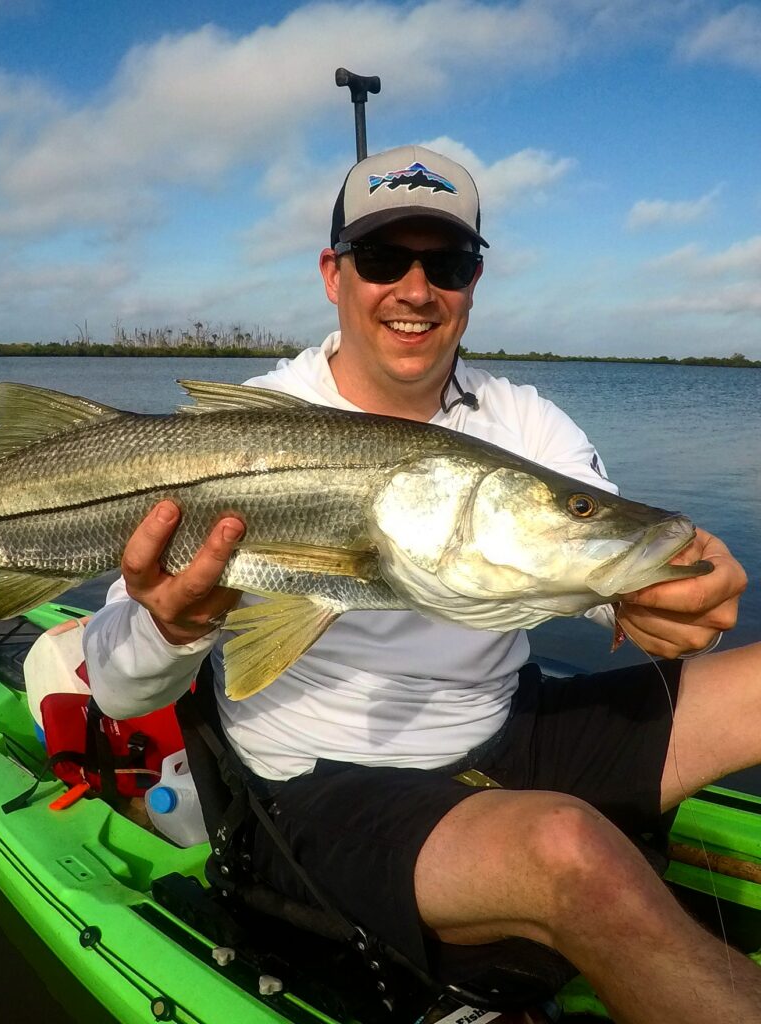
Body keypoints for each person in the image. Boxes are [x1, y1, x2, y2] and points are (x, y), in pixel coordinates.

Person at [84, 144, 757, 1021]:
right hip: (326, 788)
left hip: (506, 731)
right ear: (333, 274)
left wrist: (674, 591)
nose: (415, 287)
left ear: (474, 280)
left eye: (446, 263)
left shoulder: (525, 423)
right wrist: (172, 629)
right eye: (380, 259)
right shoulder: (237, 432)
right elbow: (115, 686)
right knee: (573, 851)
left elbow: (594, 559)